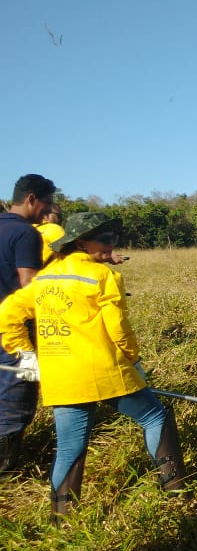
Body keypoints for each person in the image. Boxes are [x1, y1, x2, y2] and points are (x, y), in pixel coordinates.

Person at [0, 212, 188, 519]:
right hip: (104, 372)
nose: (111, 245)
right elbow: (118, 329)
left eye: (112, 238)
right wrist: (134, 359)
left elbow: (7, 314)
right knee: (156, 417)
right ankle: (176, 491)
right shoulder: (103, 277)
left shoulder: (44, 279)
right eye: (106, 239)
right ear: (82, 243)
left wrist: (25, 353)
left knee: (69, 447)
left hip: (61, 378)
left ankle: (62, 519)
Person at [0, 174, 56, 474]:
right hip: (14, 330)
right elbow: (28, 285)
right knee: (15, 397)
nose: (46, 212)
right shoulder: (26, 234)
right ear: (31, 198)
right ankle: (6, 471)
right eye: (46, 204)